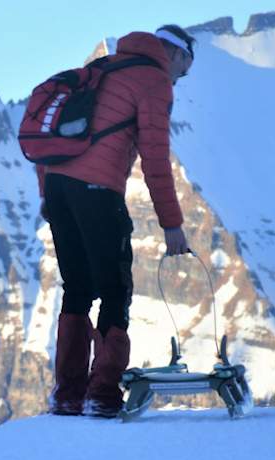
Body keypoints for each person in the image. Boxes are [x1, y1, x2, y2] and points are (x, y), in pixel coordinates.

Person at [38, 24, 195, 418]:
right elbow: (155, 158)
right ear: (175, 54)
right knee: (114, 288)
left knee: (76, 288)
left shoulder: (101, 68)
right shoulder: (154, 80)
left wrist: (49, 195)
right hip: (97, 191)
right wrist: (171, 224)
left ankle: (67, 394)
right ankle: (102, 393)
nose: (182, 77)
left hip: (58, 187)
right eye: (186, 68)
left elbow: (53, 137)